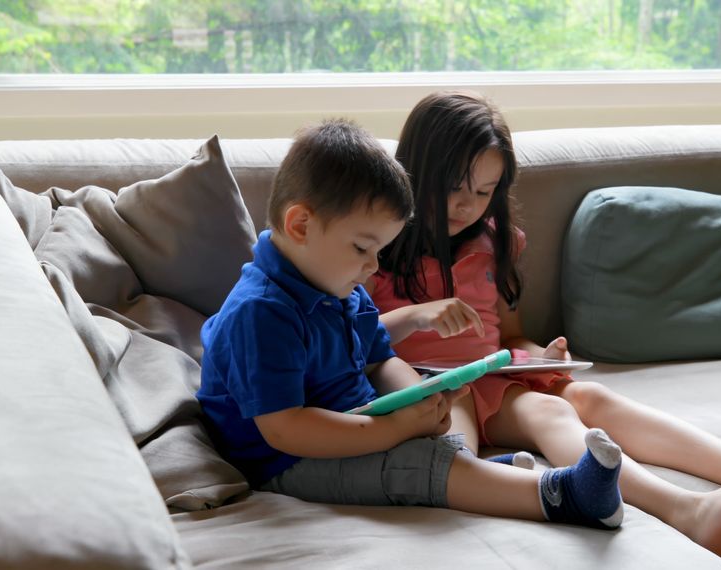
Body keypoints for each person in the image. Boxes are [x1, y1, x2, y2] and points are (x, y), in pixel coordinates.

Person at [367, 90, 721, 559]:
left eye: (484, 192)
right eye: (454, 187)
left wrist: (542, 354)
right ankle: (685, 509)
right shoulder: (372, 245)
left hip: (493, 376)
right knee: (465, 445)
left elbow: (507, 335)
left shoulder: (496, 243)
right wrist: (417, 315)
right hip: (429, 387)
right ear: (415, 171)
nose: (467, 206)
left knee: (584, 398)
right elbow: (348, 341)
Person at [197, 117, 627, 530]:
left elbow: (379, 359)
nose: (373, 266)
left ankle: (479, 476)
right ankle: (566, 497)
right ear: (301, 225)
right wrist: (391, 429)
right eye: (363, 248)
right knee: (412, 465)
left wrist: (420, 396)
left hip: (351, 419)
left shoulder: (338, 284)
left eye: (379, 251)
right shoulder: (261, 312)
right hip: (286, 461)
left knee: (426, 442)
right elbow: (286, 429)